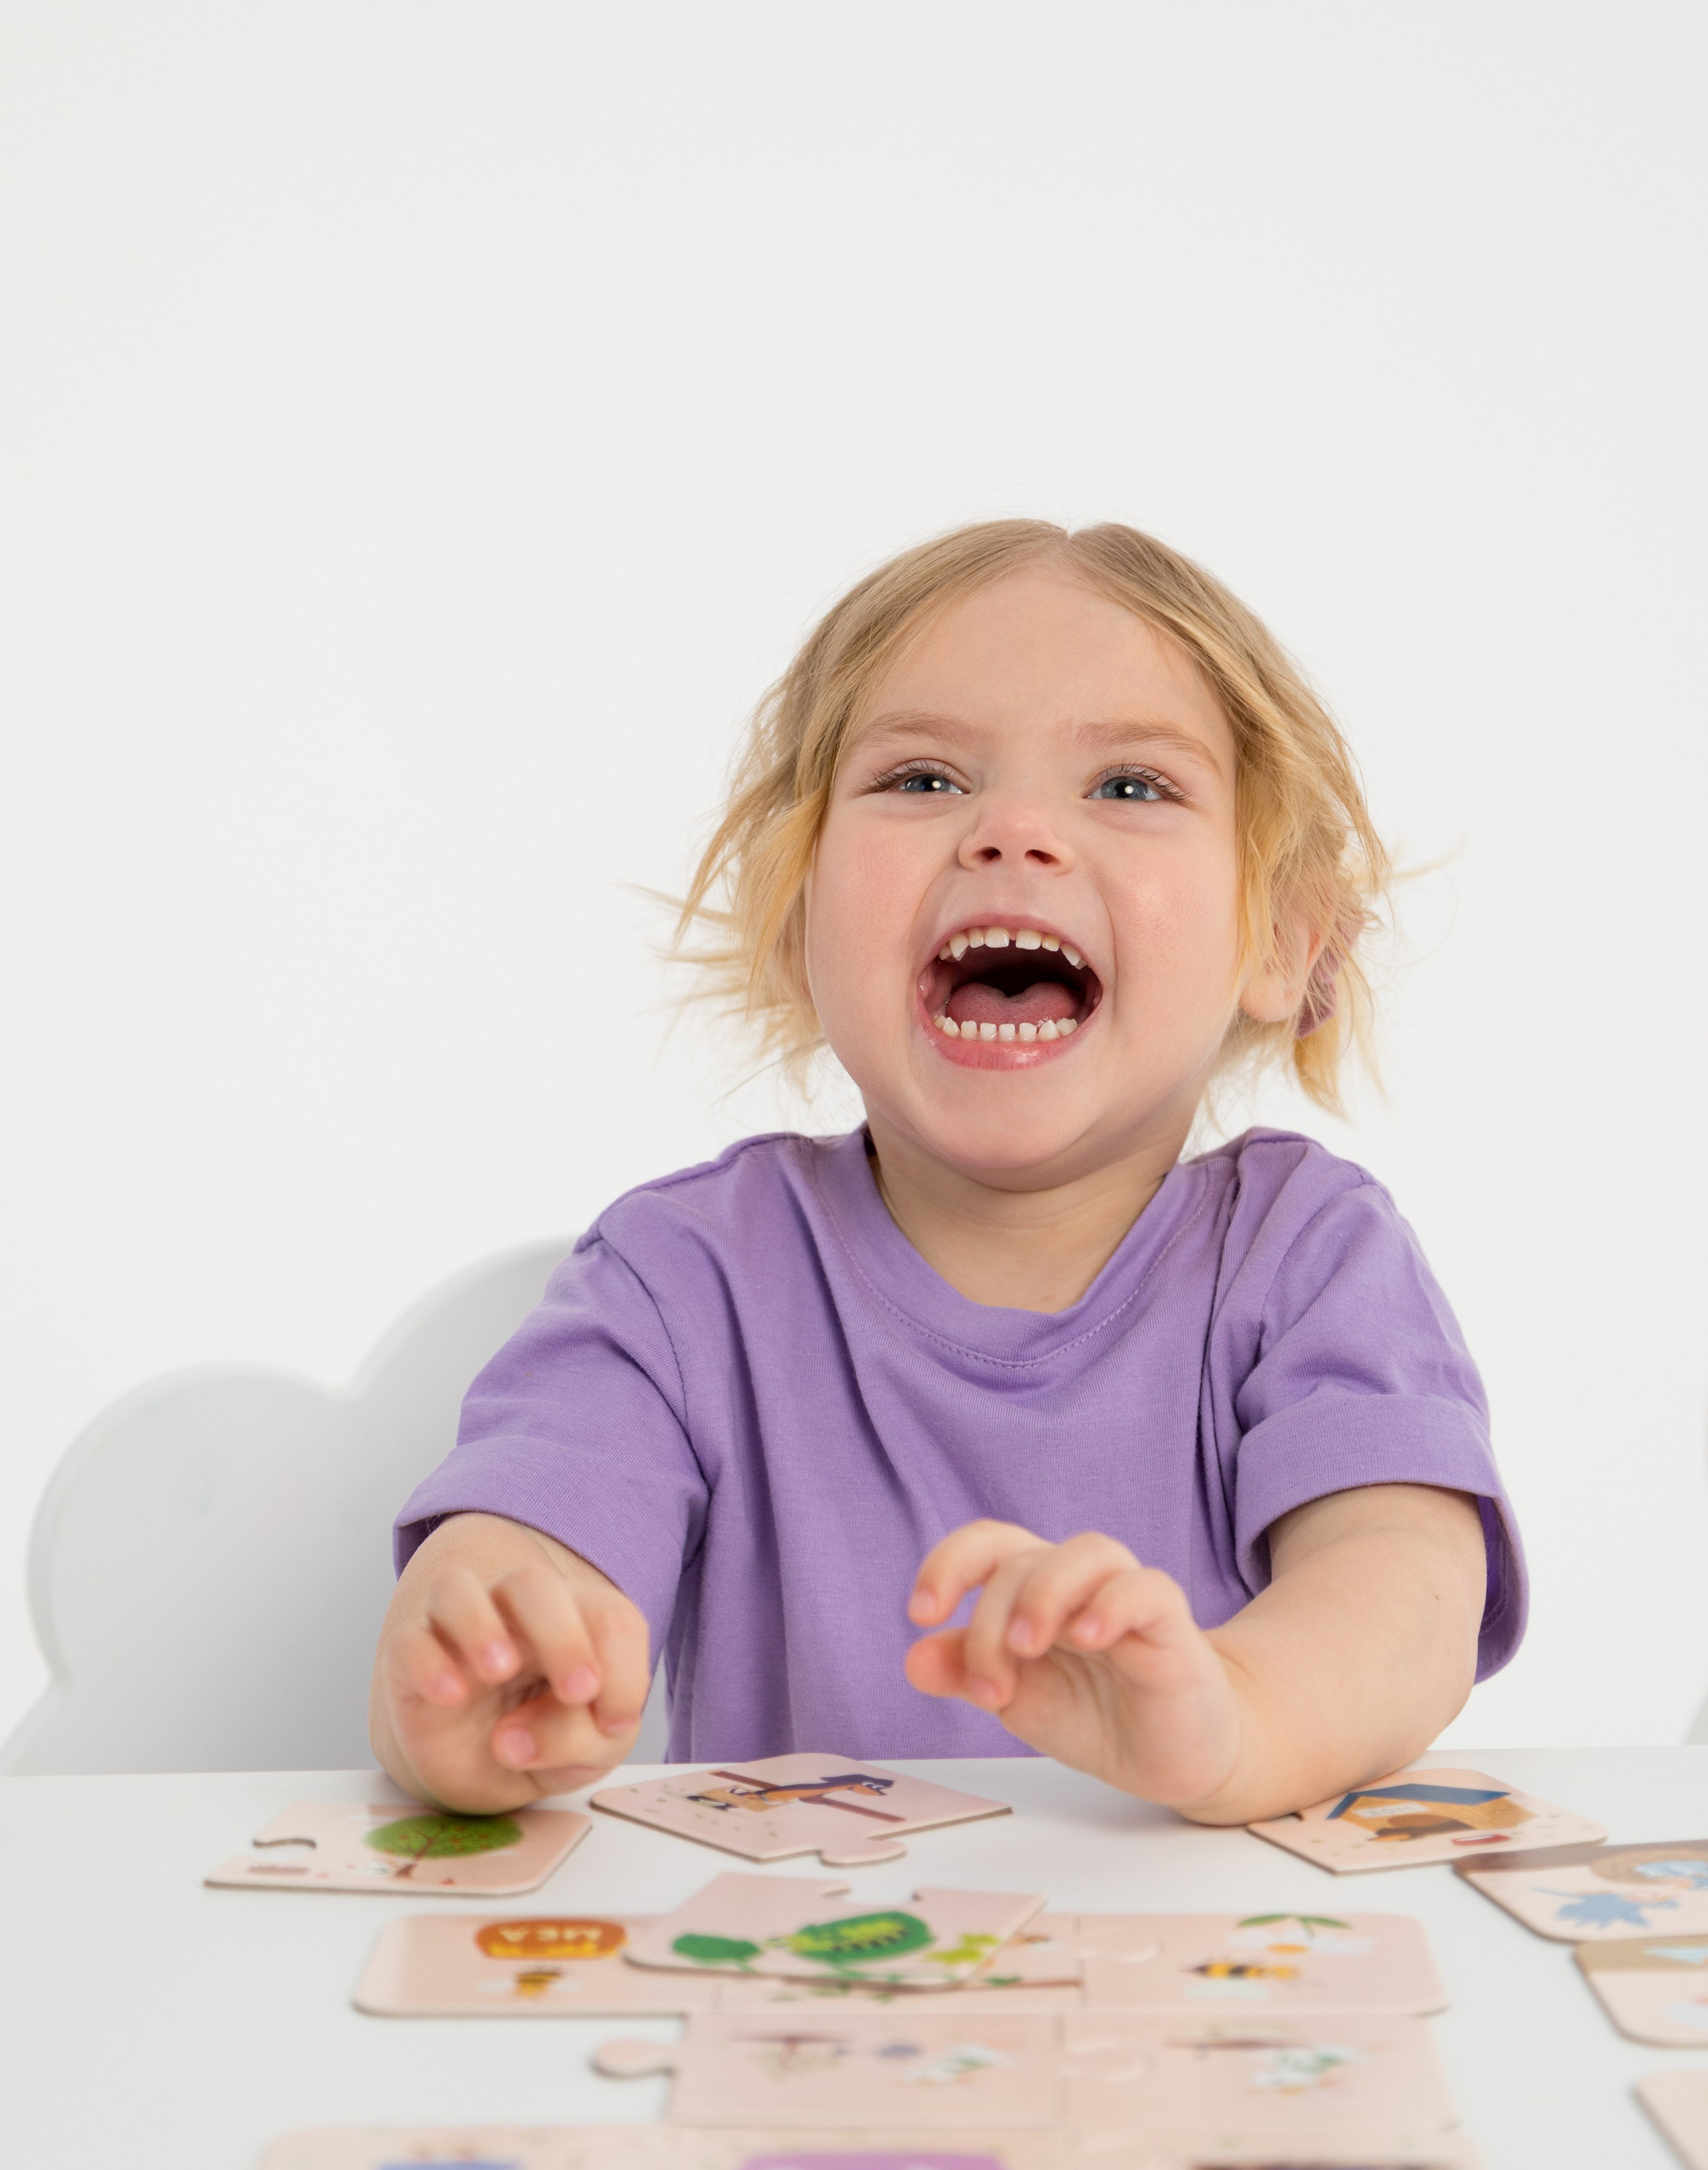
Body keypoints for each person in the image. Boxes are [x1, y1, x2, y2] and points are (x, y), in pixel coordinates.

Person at [370, 520, 1523, 1824]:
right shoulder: (684, 1277)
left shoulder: (1309, 1257)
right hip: (806, 1954)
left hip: (1212, 1951)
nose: (1013, 832)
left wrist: (1239, 1715)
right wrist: (484, 1657)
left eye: (1130, 786)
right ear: (794, 914)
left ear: (1285, 941)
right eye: (922, 778)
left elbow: (1408, 1590)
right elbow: (533, 1529)